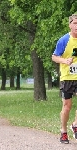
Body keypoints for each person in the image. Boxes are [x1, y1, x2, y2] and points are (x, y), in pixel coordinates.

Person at [52, 14, 77, 144]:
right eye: (75, 23)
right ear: (70, 25)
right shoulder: (64, 40)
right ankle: (63, 131)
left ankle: (75, 124)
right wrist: (64, 60)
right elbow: (54, 57)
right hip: (67, 77)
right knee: (67, 106)